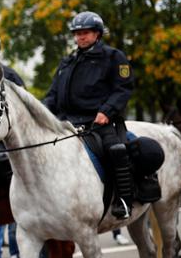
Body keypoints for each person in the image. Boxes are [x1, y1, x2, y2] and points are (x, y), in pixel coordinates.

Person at [44, 11, 135, 219]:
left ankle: (123, 199)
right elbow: (52, 95)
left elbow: (124, 88)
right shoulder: (67, 62)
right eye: (77, 33)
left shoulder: (114, 57)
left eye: (85, 33)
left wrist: (106, 111)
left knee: (116, 150)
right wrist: (41, 113)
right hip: (66, 123)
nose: (80, 37)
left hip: (97, 122)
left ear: (97, 34)